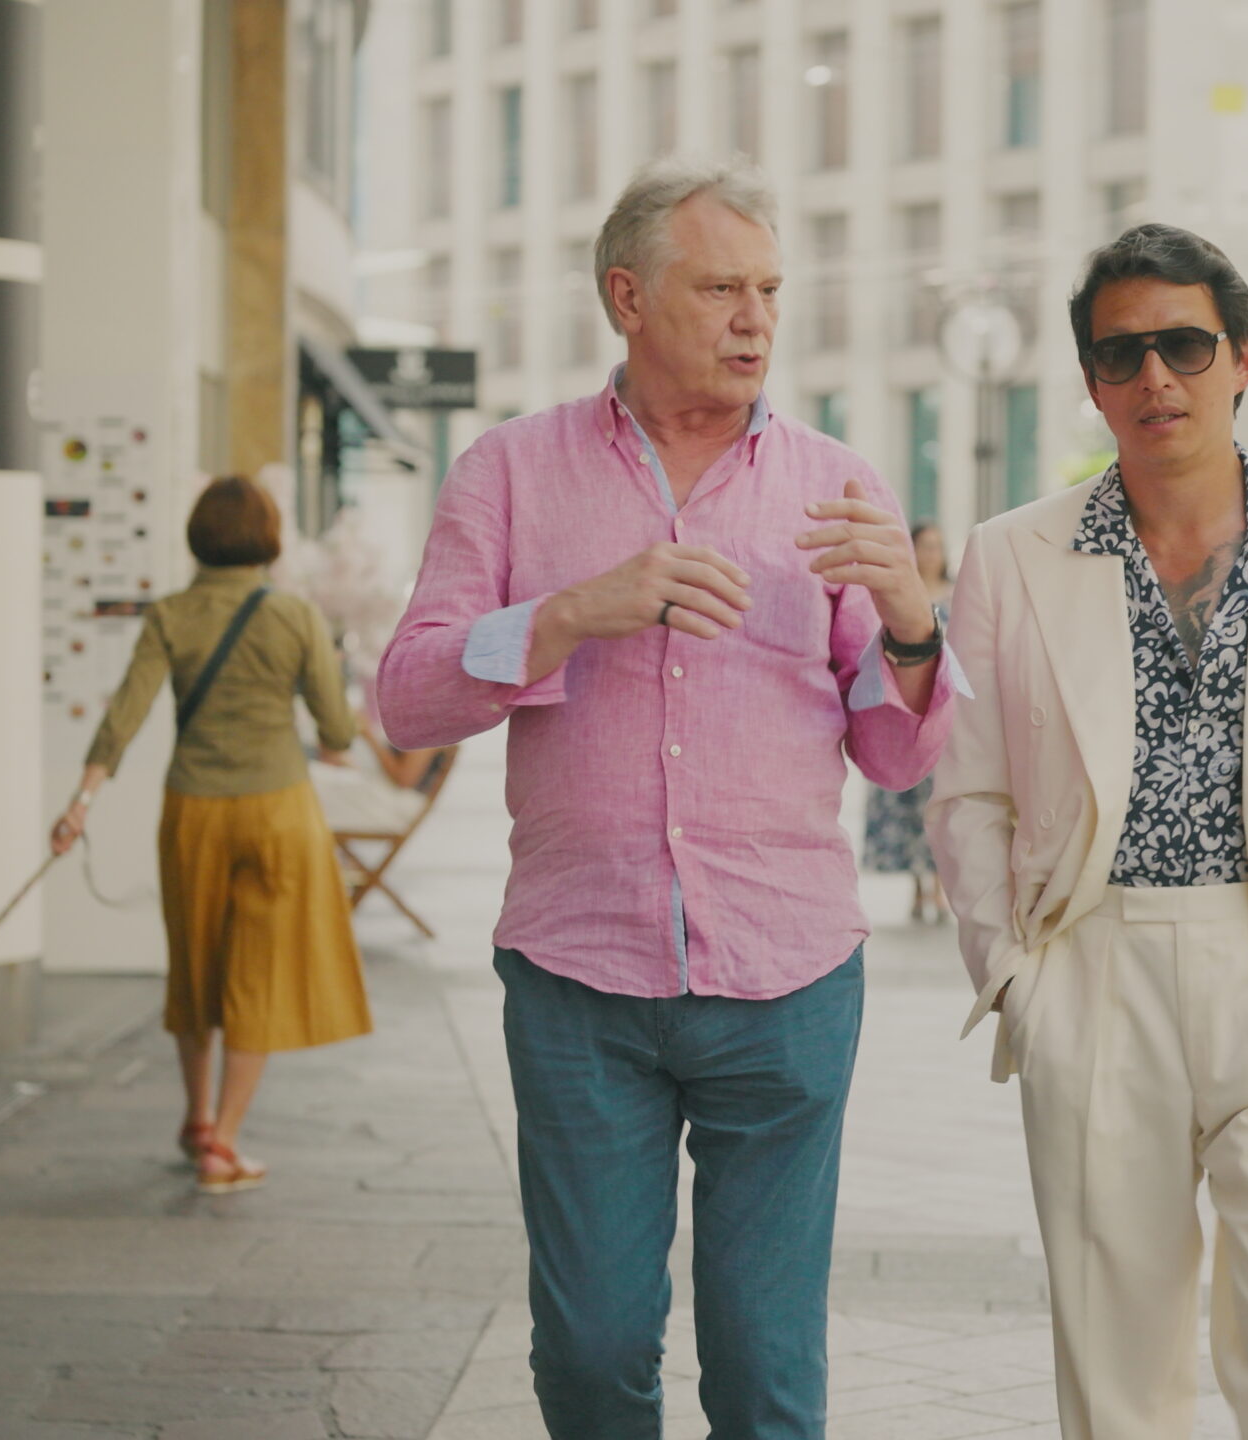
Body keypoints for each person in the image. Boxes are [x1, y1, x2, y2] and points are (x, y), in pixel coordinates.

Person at [372, 158, 959, 1439]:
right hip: (581, 976)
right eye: (720, 290)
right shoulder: (511, 474)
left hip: (787, 981)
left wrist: (913, 625)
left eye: (768, 291)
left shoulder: (836, 479)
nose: (756, 320)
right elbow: (408, 699)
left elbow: (898, 756)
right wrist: (573, 612)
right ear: (627, 296)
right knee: (587, 1354)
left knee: (763, 1375)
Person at [929, 223, 1248, 1440]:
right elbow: (967, 791)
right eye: (1122, 355)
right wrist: (1016, 983)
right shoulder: (1011, 557)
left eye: (1182, 344)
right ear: (1091, 382)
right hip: (1094, 969)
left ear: (1244, 357)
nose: (1154, 377)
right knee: (1117, 1360)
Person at [51, 475, 372, 1195]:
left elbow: (124, 716)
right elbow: (337, 728)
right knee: (255, 976)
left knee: (195, 966)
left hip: (193, 810)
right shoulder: (294, 615)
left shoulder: (170, 614)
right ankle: (223, 1143)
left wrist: (81, 802)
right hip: (276, 811)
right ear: (267, 538)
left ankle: (197, 1118)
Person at [861, 521, 956, 921]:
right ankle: (919, 887)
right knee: (909, 801)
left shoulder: (958, 594)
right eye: (924, 547)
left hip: (947, 713)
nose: (931, 554)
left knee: (942, 804)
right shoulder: (900, 594)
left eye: (937, 546)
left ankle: (937, 887)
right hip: (906, 708)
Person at [309, 712, 456, 836]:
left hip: (396, 806)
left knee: (311, 783)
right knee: (315, 777)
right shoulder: (411, 720)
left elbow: (404, 780)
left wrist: (368, 735)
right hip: (386, 795)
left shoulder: (428, 726)